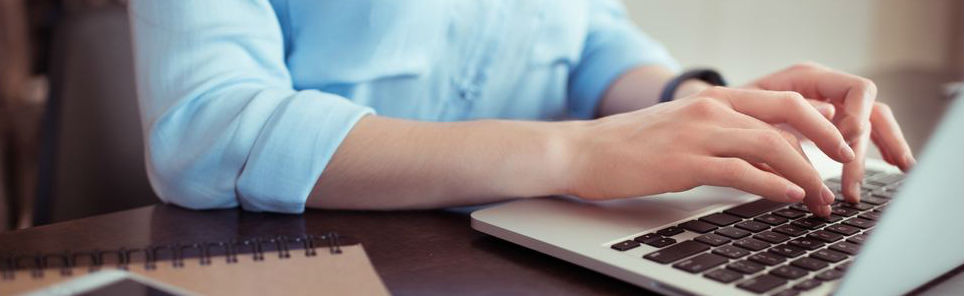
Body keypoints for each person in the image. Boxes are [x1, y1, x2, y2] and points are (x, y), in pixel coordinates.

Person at [127, 1, 914, 217]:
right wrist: (574, 155)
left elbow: (588, 37)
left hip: (531, 247)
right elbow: (206, 125)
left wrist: (700, 106)